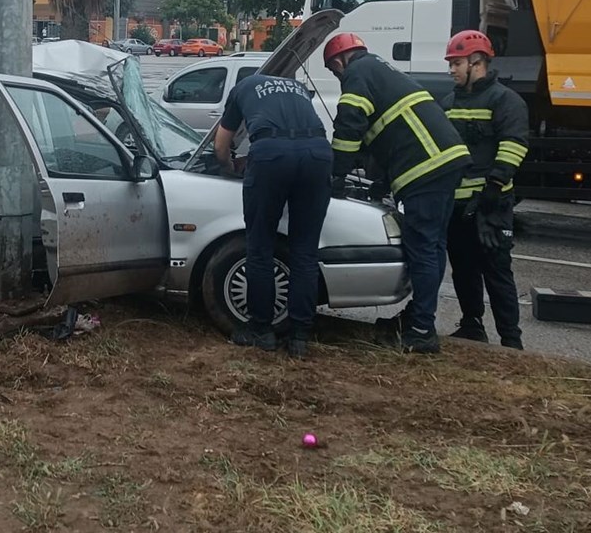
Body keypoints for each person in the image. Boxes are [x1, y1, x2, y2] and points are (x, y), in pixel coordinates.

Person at [324, 33, 471, 354]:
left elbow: (350, 125)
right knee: (433, 246)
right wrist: (380, 182)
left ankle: (421, 330)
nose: (339, 79)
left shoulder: (357, 73)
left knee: (422, 248)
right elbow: (385, 131)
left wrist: (335, 173)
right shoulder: (380, 70)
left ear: (338, 62)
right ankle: (420, 317)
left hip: (427, 168)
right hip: (445, 163)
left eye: (335, 73)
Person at [215, 73, 332, 358]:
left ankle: (261, 331)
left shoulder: (241, 88)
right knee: (305, 251)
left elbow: (220, 145)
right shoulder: (298, 88)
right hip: (318, 154)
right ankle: (300, 337)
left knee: (260, 248)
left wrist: (231, 166)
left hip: (271, 156)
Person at [440, 30, 528, 350]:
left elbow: (514, 144)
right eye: (450, 63)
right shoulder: (449, 102)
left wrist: (493, 186)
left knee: (497, 272)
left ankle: (511, 341)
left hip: (491, 204)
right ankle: (472, 325)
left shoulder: (506, 100)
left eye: (456, 63)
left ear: (477, 63)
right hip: (459, 205)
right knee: (463, 268)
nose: (451, 70)